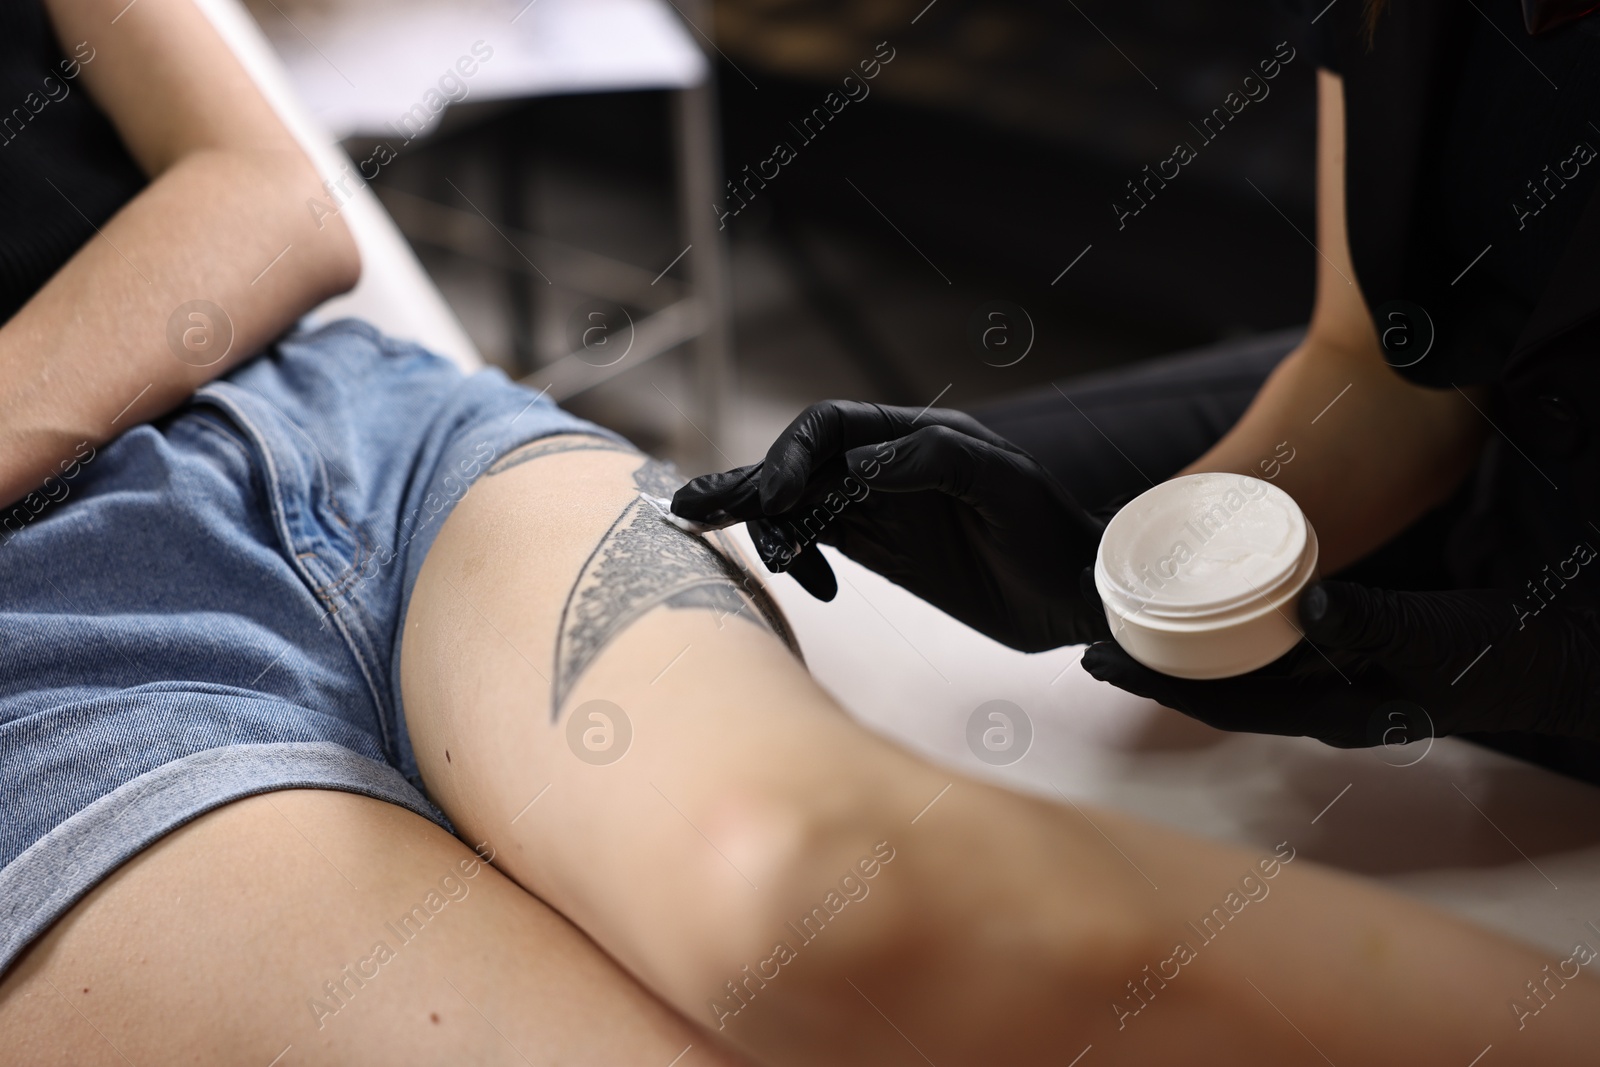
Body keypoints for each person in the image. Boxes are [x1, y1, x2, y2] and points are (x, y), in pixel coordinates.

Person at [2, 2, 1598, 1065]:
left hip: (370, 441)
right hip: (41, 663)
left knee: (837, 895)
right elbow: (1369, 365)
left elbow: (266, 199)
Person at [676, 0, 1600, 777]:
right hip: (1505, 467)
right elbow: (1382, 370)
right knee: (939, 511)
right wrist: (1136, 577)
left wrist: (1549, 669)